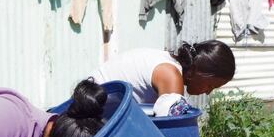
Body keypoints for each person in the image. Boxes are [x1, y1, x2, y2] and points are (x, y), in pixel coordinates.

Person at [89, 40, 236, 105]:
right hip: (90, 119)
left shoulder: (166, 60)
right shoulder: (171, 76)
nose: (208, 92)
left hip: (88, 106)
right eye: (210, 86)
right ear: (194, 72)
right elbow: (172, 132)